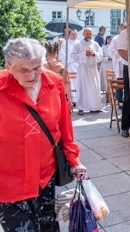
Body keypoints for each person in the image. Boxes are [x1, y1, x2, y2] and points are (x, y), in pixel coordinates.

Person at [0, 38, 86, 231]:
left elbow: (64, 127)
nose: (32, 75)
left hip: (44, 176)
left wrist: (75, 161)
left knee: (48, 227)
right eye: (24, 70)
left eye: (36, 67)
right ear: (8, 66)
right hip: (9, 182)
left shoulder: (52, 81)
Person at [72, 28, 103, 115]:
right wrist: (84, 54)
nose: (89, 35)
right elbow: (73, 57)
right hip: (83, 69)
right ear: (83, 34)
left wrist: (94, 54)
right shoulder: (78, 44)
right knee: (82, 89)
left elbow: (101, 55)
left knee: (94, 89)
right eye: (87, 34)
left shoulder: (95, 44)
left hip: (93, 69)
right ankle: (81, 107)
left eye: (90, 34)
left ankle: (95, 107)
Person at [43, 40, 72, 108]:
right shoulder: (61, 68)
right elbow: (65, 83)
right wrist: (69, 97)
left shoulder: (42, 67)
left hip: (47, 95)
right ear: (57, 52)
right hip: (57, 95)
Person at [108, 22, 127, 105]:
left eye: (127, 27)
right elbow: (111, 51)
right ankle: (120, 101)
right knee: (120, 82)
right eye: (124, 27)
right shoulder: (115, 39)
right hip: (119, 64)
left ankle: (128, 101)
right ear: (120, 28)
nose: (125, 29)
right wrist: (123, 56)